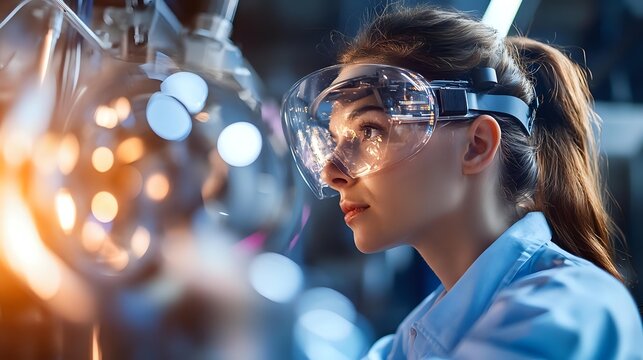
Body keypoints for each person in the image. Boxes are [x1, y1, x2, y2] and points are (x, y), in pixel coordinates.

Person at [281, 4, 643, 360]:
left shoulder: (569, 306)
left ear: (476, 145)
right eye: (336, 140)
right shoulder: (412, 339)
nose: (332, 172)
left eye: (370, 131)